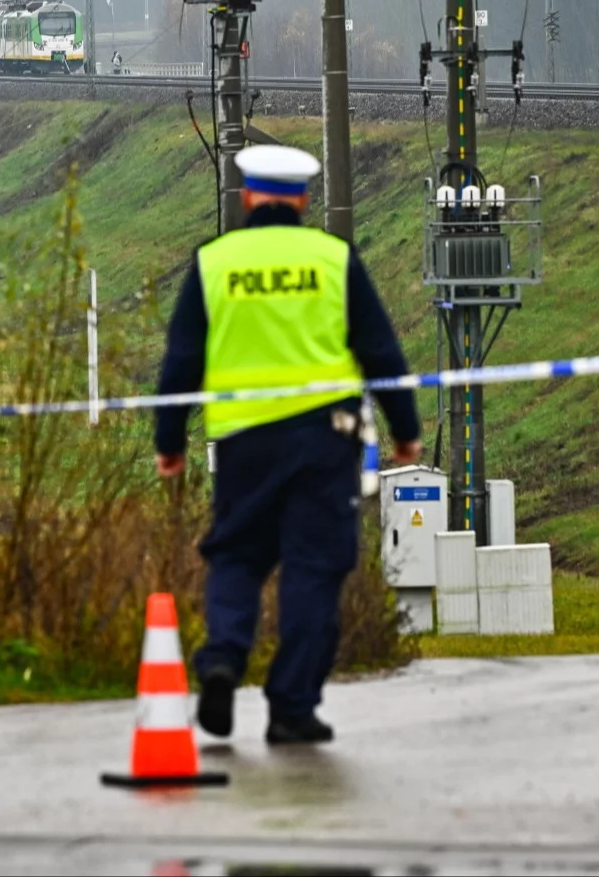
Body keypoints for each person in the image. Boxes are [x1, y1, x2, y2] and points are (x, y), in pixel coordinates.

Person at [154, 144, 423, 745]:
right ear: (302, 199)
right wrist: (405, 429)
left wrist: (169, 440)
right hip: (322, 444)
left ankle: (223, 657)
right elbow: (380, 350)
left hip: (242, 442)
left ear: (248, 196)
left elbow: (181, 361)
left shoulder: (213, 262)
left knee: (238, 555)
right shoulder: (333, 259)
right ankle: (292, 707)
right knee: (313, 567)